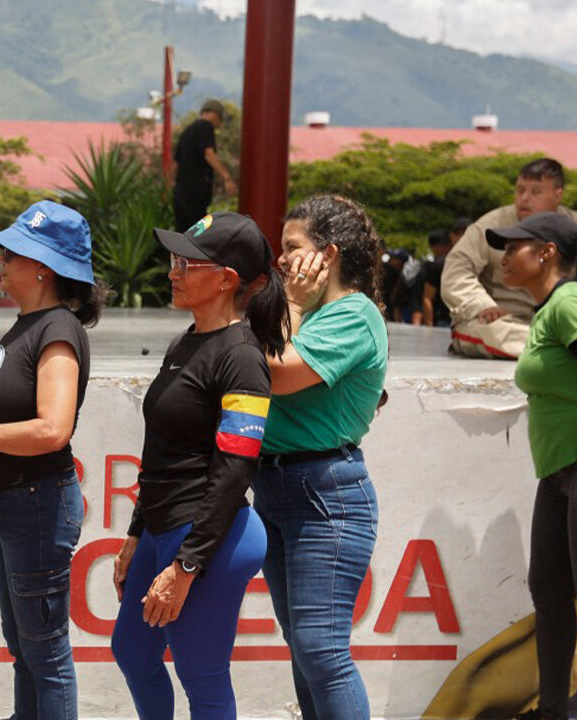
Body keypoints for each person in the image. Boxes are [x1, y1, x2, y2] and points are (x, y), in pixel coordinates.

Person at [111, 212, 287, 719]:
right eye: (175, 260)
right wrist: (136, 534)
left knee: (202, 677)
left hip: (210, 539)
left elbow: (236, 469)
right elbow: (162, 451)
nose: (173, 272)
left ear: (227, 279)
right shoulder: (185, 341)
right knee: (132, 651)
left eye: (186, 264)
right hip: (164, 526)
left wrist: (187, 564)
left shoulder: (243, 357)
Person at [0, 201, 105, 720]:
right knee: (26, 646)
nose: (1, 262)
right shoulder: (29, 326)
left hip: (35, 505)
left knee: (44, 652)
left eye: (11, 254)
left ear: (43, 268)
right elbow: (1, 400)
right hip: (18, 507)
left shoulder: (57, 330)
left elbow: (52, 430)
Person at [486, 212, 577, 720]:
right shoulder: (548, 311)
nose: (505, 256)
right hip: (560, 472)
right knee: (549, 595)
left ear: (547, 252)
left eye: (515, 247)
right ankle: (552, 712)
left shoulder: (571, 302)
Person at [253, 195, 388, 720]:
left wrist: (290, 304)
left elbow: (276, 373)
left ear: (327, 255)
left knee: (321, 650)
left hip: (325, 494)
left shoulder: (353, 313)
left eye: (292, 247)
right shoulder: (313, 314)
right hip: (278, 487)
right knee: (304, 648)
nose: (282, 259)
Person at [441, 158, 577, 359]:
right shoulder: (491, 224)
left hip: (557, 322)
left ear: (557, 195)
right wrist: (481, 305)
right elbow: (457, 270)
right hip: (499, 322)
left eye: (535, 192)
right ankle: (576, 348)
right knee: (490, 332)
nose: (524, 198)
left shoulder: (574, 226)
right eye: (520, 190)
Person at [172, 100, 237, 232]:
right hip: (196, 192)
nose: (219, 125)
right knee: (199, 233)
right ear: (215, 114)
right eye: (220, 119)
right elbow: (208, 154)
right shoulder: (206, 127)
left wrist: (173, 186)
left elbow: (175, 164)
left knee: (182, 233)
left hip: (180, 193)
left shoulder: (186, 132)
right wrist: (227, 178)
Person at [423, 228, 454, 327]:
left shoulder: (438, 264)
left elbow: (427, 297)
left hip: (442, 319)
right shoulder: (463, 261)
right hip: (460, 318)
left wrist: (429, 325)